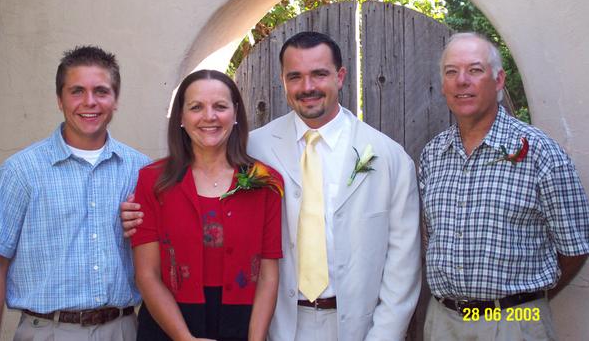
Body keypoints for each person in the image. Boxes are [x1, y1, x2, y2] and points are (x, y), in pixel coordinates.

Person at [123, 31, 421, 341]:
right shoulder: (255, 149)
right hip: (280, 324)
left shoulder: (388, 157)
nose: (307, 87)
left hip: (357, 325)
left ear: (341, 76)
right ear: (283, 80)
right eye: (295, 76)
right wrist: (134, 214)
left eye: (319, 74)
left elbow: (403, 265)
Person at [419, 32, 589, 340]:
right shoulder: (433, 154)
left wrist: (522, 304)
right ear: (444, 84)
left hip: (514, 323)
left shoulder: (541, 154)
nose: (462, 80)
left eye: (475, 70)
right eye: (452, 71)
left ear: (498, 80)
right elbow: (430, 234)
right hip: (442, 323)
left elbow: (575, 247)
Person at [0, 46, 150, 341]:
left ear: (115, 100)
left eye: (101, 91)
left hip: (121, 330)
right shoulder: (21, 171)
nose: (89, 102)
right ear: (59, 99)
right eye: (77, 91)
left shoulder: (140, 171)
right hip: (47, 331)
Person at [130, 69, 282, 341]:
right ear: (181, 116)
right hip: (168, 326)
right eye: (196, 107)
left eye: (220, 107)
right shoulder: (152, 181)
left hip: (242, 324)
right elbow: (147, 275)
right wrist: (184, 338)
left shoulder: (265, 182)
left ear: (235, 114)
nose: (209, 116)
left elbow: (268, 276)